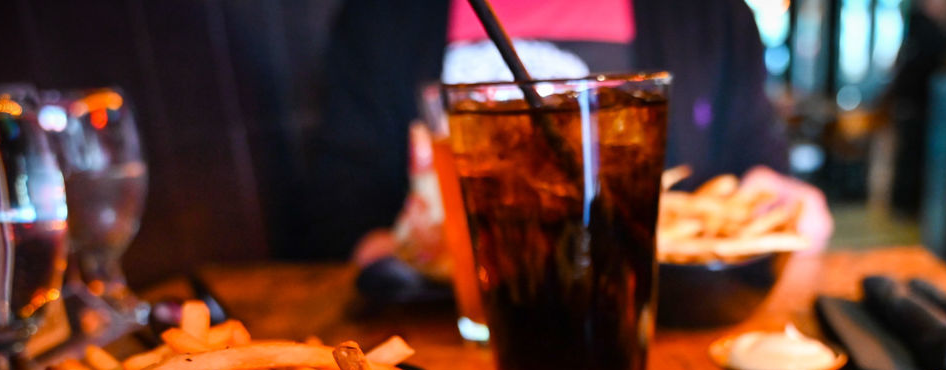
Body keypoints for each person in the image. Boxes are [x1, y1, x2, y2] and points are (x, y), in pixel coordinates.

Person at [306, 0, 831, 263]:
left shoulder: (711, 14)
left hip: (647, 333)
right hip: (457, 341)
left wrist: (789, 206)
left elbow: (758, 173)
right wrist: (381, 251)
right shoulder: (382, 16)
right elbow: (340, 205)